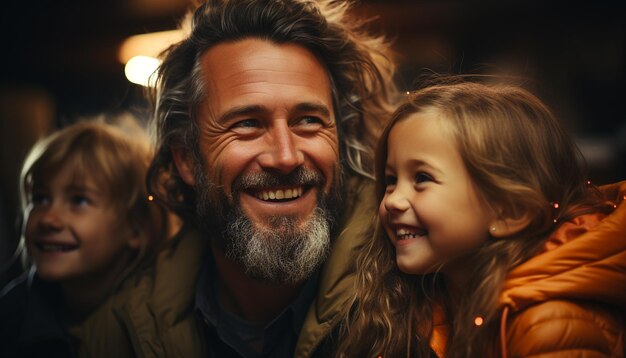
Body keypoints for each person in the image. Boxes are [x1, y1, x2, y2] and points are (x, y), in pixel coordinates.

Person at [77, 0, 397, 357]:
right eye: (247, 124)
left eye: (308, 120)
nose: (286, 156)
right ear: (186, 158)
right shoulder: (118, 335)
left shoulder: (414, 303)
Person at [336, 78, 626, 357]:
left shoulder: (548, 326)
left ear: (510, 211)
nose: (393, 200)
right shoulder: (417, 307)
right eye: (390, 179)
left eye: (422, 178)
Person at [0, 121, 167, 357]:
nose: (48, 219)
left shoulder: (159, 318)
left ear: (136, 229)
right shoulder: (11, 314)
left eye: (78, 200)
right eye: (40, 198)